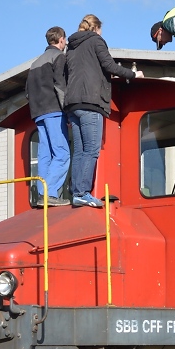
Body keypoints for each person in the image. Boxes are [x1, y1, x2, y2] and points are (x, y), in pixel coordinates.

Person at [64, 14, 142, 208]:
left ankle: (76, 192)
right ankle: (83, 192)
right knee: (91, 150)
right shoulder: (96, 41)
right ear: (96, 28)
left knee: (80, 151)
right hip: (91, 102)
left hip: (72, 104)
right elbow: (108, 65)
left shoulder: (71, 47)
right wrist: (133, 75)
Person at [26, 26, 71, 206]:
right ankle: (50, 193)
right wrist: (67, 110)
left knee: (45, 154)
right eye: (65, 40)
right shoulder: (59, 57)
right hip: (54, 110)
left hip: (38, 113)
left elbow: (28, 92)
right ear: (61, 39)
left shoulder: (34, 63)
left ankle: (41, 194)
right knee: (62, 153)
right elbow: (60, 86)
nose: (66, 42)